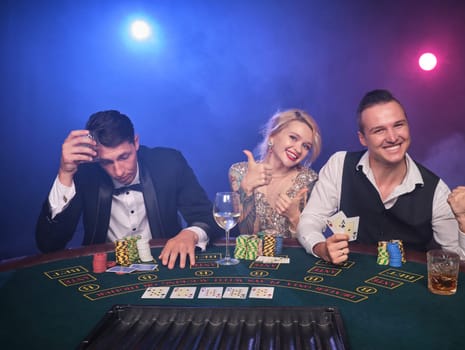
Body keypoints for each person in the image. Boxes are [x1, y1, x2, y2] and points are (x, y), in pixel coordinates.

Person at [297, 89, 465, 264]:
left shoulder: (435, 190)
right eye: (379, 130)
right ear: (362, 138)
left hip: (411, 292)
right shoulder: (339, 165)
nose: (392, 137)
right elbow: (311, 219)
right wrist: (320, 247)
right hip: (350, 283)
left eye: (398, 125)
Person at [36, 110, 220, 269]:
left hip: (166, 264)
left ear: (136, 142)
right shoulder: (84, 172)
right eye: (106, 162)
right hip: (105, 270)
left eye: (124, 157)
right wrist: (65, 173)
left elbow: (206, 217)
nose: (118, 171)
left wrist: (191, 234)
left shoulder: (169, 162)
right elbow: (49, 245)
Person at [229, 109, 322, 238]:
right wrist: (247, 189)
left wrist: (294, 217)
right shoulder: (240, 172)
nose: (298, 149)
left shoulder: (309, 180)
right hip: (252, 257)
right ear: (272, 135)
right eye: (293, 138)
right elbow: (246, 234)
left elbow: (309, 240)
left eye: (306, 146)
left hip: (292, 257)